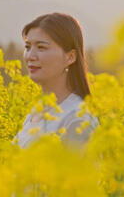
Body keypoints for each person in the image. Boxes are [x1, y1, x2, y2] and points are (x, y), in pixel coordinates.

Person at [12, 12, 99, 150]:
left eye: (41, 47)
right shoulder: (36, 111)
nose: (30, 56)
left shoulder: (77, 119)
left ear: (70, 57)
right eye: (27, 47)